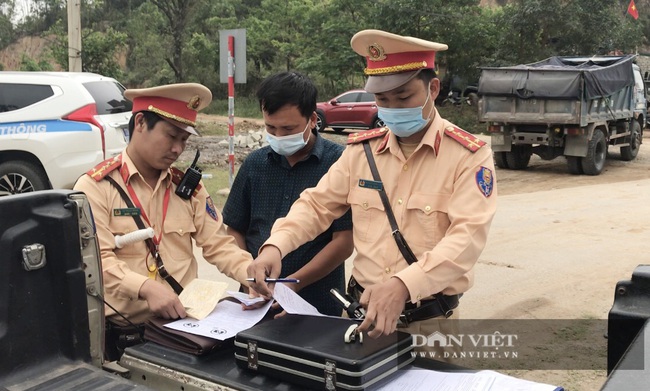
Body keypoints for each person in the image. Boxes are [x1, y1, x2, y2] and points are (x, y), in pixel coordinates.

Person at [247, 30, 497, 343]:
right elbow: (316, 205)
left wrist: (404, 284)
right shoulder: (362, 151)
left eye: (403, 97)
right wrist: (276, 245)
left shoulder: (468, 156)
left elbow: (467, 238)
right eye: (382, 99)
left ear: (433, 88)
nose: (392, 107)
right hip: (359, 320)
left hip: (429, 328)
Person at [74, 83, 253, 360]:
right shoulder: (96, 187)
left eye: (184, 140)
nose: (177, 149)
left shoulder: (188, 189)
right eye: (171, 136)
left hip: (184, 331)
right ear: (141, 122)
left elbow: (218, 245)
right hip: (125, 338)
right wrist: (145, 287)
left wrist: (252, 275)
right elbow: (98, 262)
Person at [223, 71, 354, 316]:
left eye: (288, 128)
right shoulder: (255, 164)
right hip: (254, 300)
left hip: (318, 302)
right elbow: (235, 230)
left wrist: (293, 284)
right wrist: (247, 273)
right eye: (270, 128)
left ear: (313, 119)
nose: (279, 136)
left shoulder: (340, 163)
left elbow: (343, 243)